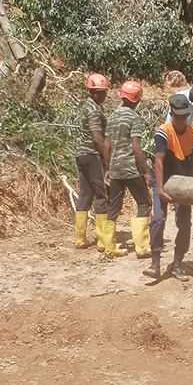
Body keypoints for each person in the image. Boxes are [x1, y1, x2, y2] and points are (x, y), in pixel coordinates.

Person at [143, 94, 193, 281]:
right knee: (158, 219)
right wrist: (160, 190)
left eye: (185, 116)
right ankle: (155, 263)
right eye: (178, 117)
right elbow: (158, 162)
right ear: (172, 115)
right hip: (164, 179)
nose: (181, 120)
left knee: (184, 223)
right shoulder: (163, 132)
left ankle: (177, 263)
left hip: (183, 182)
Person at [103, 80, 152, 258]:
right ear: (137, 98)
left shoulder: (112, 117)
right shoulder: (133, 117)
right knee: (144, 204)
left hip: (115, 169)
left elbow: (106, 145)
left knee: (114, 206)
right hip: (130, 168)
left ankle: (109, 247)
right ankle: (142, 247)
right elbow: (136, 147)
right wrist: (146, 170)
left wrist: (107, 168)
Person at [73, 73, 111, 252]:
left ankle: (80, 238)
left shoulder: (87, 106)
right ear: (91, 92)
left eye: (103, 92)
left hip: (81, 154)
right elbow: (97, 138)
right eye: (99, 92)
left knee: (85, 194)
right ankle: (103, 240)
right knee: (101, 195)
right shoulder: (94, 110)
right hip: (92, 153)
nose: (102, 95)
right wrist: (107, 160)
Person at [165, 81, 193, 158]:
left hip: (185, 135)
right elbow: (170, 117)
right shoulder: (180, 97)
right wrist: (167, 134)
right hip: (173, 132)